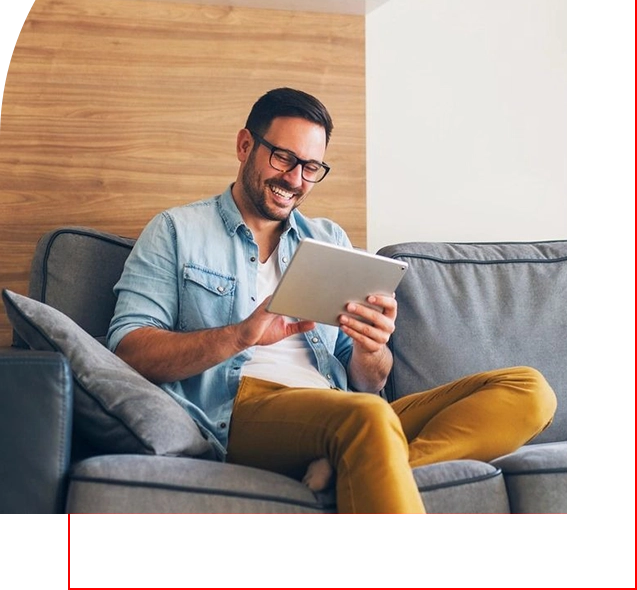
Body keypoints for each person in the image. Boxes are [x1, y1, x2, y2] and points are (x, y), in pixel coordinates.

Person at [107, 87, 557, 515]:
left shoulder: (327, 240)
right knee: (365, 418)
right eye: (283, 157)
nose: (295, 179)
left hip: (341, 406)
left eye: (310, 167)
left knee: (528, 391)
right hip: (241, 408)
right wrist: (240, 336)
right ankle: (362, 459)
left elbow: (367, 383)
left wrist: (371, 348)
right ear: (245, 145)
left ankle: (358, 462)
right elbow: (129, 351)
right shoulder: (176, 231)